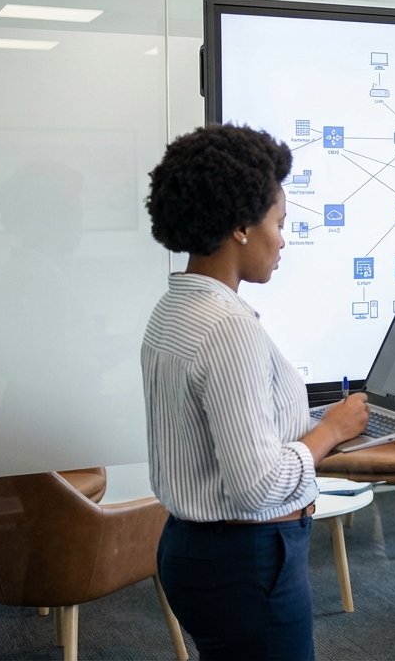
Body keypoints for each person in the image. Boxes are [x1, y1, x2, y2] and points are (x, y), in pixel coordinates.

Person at [141, 124, 369, 660]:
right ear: (242, 226)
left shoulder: (173, 310)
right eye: (280, 223)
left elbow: (226, 423)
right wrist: (331, 432)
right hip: (246, 561)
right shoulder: (228, 326)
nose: (284, 239)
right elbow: (256, 485)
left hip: (195, 551)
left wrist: (324, 420)